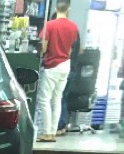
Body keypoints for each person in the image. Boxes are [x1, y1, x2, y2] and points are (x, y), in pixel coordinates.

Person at [37, 0, 80, 143]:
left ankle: (46, 132)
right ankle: (53, 132)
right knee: (57, 99)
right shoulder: (73, 27)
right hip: (65, 64)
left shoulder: (49, 25)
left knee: (44, 99)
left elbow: (43, 48)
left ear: (56, 8)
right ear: (69, 9)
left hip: (52, 65)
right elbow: (71, 49)